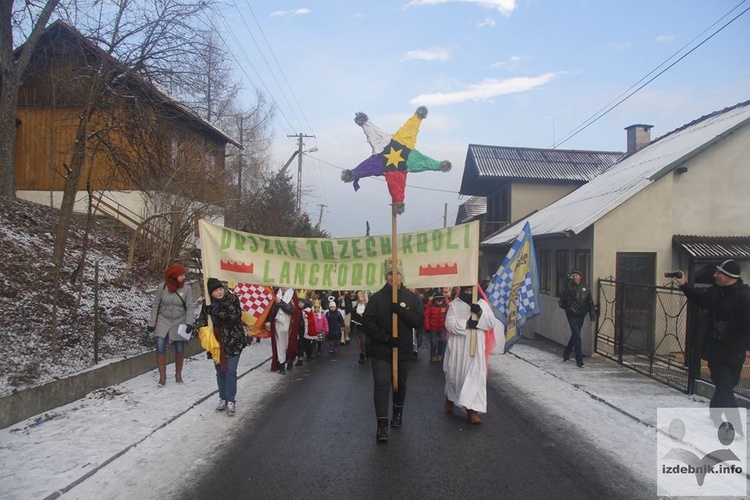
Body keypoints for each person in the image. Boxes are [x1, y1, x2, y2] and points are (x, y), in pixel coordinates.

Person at [676, 260, 750, 427]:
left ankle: (714, 412)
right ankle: (734, 426)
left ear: (730, 277)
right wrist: (683, 284)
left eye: (719, 273)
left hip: (735, 351)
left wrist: (748, 346)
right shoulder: (715, 292)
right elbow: (700, 300)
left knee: (729, 385)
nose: (715, 275)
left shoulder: (745, 296)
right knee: (724, 386)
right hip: (716, 350)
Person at [362, 259, 424, 443]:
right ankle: (382, 425)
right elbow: (368, 323)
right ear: (386, 276)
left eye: (396, 273)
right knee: (382, 383)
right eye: (390, 273)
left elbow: (419, 321)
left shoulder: (411, 298)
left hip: (403, 351)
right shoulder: (376, 299)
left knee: (399, 384)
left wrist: (402, 312)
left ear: (401, 275)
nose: (393, 276)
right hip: (381, 351)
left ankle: (398, 412)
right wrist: (386, 338)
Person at [443, 285, 504, 425]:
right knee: (454, 375)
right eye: (467, 291)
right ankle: (450, 398)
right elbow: (449, 324)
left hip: (476, 347)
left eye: (472, 291)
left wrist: (480, 312)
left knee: (475, 375)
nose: (470, 293)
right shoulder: (455, 304)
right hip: (459, 345)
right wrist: (467, 323)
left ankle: (472, 410)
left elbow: (490, 323)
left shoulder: (482, 304)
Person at [196, 278, 247, 416]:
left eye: (220, 289)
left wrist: (214, 311)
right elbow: (202, 319)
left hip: (233, 340)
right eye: (215, 291)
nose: (219, 292)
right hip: (216, 342)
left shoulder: (232, 299)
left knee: (230, 370)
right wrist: (201, 328)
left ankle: (231, 400)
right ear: (210, 293)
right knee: (220, 371)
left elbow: (234, 317)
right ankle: (223, 397)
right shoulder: (207, 303)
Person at [148, 264, 194, 387]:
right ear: (174, 276)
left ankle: (178, 373)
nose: (184, 277)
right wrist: (152, 322)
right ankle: (162, 376)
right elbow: (156, 305)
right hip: (164, 320)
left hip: (180, 321)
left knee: (179, 348)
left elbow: (190, 306)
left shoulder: (187, 289)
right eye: (181, 275)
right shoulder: (162, 287)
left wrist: (189, 323)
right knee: (160, 346)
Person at [559, 269, 596, 367]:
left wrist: (592, 317)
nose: (574, 277)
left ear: (580, 277)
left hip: (581, 314)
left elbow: (591, 303)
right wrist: (567, 281)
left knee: (575, 335)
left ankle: (566, 353)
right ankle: (579, 360)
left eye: (576, 275)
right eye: (573, 275)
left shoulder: (585, 288)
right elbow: (564, 293)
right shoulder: (569, 287)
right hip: (571, 314)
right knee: (577, 336)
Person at [271, 287, 296, 374]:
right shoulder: (275, 293)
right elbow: (271, 310)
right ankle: (281, 365)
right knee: (279, 343)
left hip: (288, 323)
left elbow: (292, 310)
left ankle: (289, 360)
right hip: (278, 322)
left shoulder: (292, 295)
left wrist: (280, 303)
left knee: (287, 344)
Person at [424, 294, 449, 363]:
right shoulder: (430, 305)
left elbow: (449, 315)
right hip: (433, 328)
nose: (439, 301)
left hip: (442, 327)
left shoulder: (446, 305)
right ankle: (433, 355)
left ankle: (440, 354)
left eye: (441, 299)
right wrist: (427, 327)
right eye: (438, 300)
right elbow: (427, 316)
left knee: (442, 341)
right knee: (433, 342)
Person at [350, 291, 369, 363]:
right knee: (362, 342)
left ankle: (368, 354)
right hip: (360, 328)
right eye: (360, 301)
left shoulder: (368, 308)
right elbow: (353, 317)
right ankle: (362, 356)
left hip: (367, 328)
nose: (361, 302)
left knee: (367, 342)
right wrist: (355, 323)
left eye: (363, 301)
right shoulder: (355, 308)